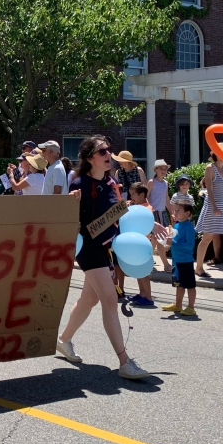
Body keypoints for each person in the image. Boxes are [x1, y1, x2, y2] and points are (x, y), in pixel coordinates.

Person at [55, 136, 150, 379]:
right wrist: (68, 203)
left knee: (89, 299)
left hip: (107, 248)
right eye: (102, 151)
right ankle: (124, 361)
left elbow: (118, 215)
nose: (109, 154)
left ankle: (64, 340)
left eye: (109, 149)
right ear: (89, 158)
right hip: (88, 249)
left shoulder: (111, 181)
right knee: (109, 300)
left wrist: (151, 228)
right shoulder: (79, 184)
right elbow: (65, 218)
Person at [194, 145, 223, 280]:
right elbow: (208, 189)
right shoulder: (210, 168)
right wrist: (214, 207)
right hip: (212, 206)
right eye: (222, 152)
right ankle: (199, 267)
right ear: (216, 154)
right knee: (207, 238)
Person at [163, 198, 197, 316]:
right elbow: (172, 239)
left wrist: (174, 243)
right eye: (175, 210)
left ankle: (191, 307)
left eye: (178, 210)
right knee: (179, 284)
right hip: (176, 260)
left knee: (189, 285)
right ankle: (178, 305)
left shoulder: (189, 228)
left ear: (187, 213)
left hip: (185, 261)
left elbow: (190, 245)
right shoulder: (176, 225)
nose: (175, 212)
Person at [126, 182, 156, 307]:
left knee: (143, 272)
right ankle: (142, 293)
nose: (131, 197)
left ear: (142, 195)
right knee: (139, 271)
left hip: (144, 242)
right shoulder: (138, 206)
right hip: (138, 242)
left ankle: (148, 297)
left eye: (133, 194)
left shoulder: (146, 208)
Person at [147, 159, 172, 271]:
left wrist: (172, 212)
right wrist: (149, 210)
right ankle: (166, 265)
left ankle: (147, 260)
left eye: (165, 168)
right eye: (161, 168)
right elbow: (146, 197)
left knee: (155, 240)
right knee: (160, 238)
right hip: (154, 212)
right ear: (155, 170)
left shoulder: (166, 183)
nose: (164, 170)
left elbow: (166, 199)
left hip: (162, 212)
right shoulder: (152, 182)